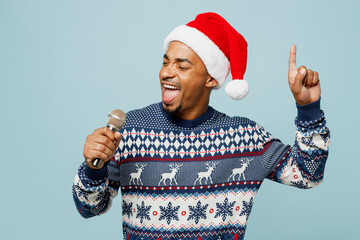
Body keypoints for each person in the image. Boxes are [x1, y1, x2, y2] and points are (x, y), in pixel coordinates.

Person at [72, 12, 330, 240]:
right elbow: (89, 207)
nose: (166, 72)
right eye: (165, 62)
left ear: (210, 78)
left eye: (181, 65)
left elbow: (308, 174)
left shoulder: (244, 137)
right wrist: (95, 169)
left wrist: (308, 109)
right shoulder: (131, 129)